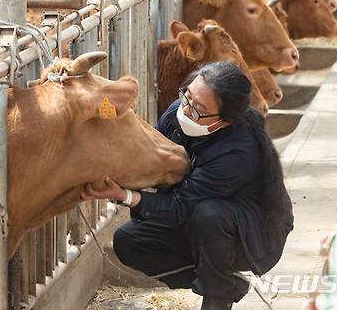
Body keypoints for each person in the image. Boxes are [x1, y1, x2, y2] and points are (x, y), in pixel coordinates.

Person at [81, 61, 294, 310]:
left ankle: (217, 295)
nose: (187, 109)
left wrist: (127, 196)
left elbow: (183, 207)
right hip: (195, 218)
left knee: (209, 214)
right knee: (128, 241)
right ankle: (223, 280)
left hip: (250, 234)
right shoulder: (177, 114)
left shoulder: (239, 151)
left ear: (225, 121)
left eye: (199, 109)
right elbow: (154, 161)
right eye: (187, 96)